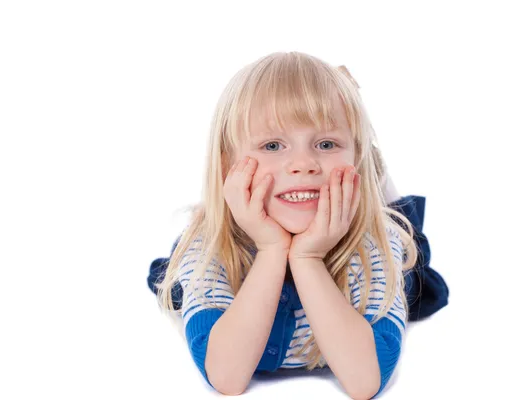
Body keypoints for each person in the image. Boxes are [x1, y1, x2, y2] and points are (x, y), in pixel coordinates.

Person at [147, 51, 449, 399]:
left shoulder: (376, 242)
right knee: (172, 283)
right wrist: (272, 249)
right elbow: (227, 377)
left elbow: (366, 380)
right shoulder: (207, 246)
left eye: (325, 143)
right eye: (273, 145)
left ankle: (372, 163)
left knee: (406, 233)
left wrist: (308, 258)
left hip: (371, 220)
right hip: (232, 237)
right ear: (228, 162)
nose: (304, 164)